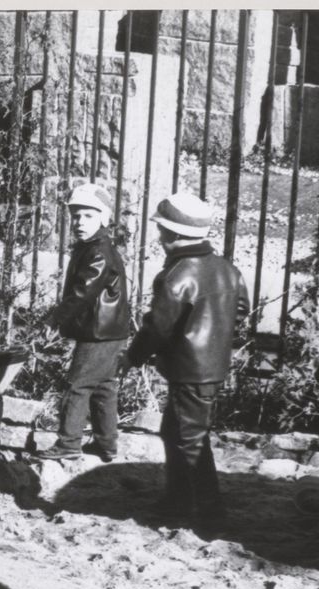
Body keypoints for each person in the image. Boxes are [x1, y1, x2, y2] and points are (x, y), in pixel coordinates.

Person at [123, 191, 250, 525]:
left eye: (162, 231)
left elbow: (157, 329)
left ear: (174, 235)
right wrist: (220, 338)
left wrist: (132, 358)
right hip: (210, 367)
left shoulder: (176, 275)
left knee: (191, 440)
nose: (159, 237)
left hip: (188, 369)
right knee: (174, 432)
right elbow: (241, 310)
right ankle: (176, 499)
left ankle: (210, 512)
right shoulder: (226, 268)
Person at [39, 183, 132, 461]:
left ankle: (68, 443)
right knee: (103, 387)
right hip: (107, 330)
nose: (80, 222)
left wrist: (55, 318)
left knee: (78, 385)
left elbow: (83, 291)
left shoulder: (98, 251)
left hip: (99, 332)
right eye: (76, 216)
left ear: (104, 218)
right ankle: (106, 444)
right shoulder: (91, 246)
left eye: (88, 216)